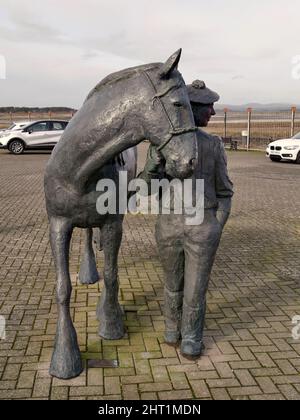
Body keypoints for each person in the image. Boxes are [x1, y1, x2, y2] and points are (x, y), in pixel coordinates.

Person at [138, 80, 234, 359]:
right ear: (193, 110)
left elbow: (225, 191)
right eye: (209, 107)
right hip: (168, 225)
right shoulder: (163, 146)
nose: (213, 113)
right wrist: (153, 166)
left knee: (195, 289)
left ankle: (191, 338)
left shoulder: (213, 145)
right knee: (171, 284)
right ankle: (171, 330)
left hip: (203, 227)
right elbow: (144, 190)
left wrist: (217, 224)